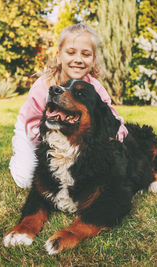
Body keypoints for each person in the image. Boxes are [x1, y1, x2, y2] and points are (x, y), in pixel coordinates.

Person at [9, 23, 128, 188]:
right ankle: (18, 150)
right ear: (59, 56)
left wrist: (115, 135)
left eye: (85, 54)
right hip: (34, 132)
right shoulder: (42, 86)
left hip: (68, 133)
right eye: (71, 52)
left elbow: (110, 118)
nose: (78, 59)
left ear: (93, 60)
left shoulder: (94, 88)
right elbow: (33, 124)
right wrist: (52, 149)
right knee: (28, 178)